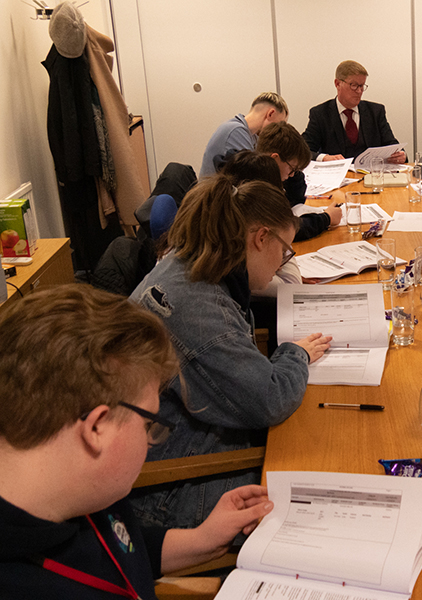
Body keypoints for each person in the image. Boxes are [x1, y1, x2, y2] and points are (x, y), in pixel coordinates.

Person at [0, 285, 274, 597]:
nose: (150, 440)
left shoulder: (79, 491)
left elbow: (121, 547)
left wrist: (201, 540)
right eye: (148, 424)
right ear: (97, 428)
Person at [129, 175, 332, 530]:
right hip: (165, 487)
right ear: (261, 237)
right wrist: (295, 354)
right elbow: (271, 398)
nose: (281, 264)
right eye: (285, 251)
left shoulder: (189, 263)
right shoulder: (199, 305)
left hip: (171, 446)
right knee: (320, 482)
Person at [302, 60, 405, 163]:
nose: (359, 91)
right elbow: (303, 151)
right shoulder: (320, 114)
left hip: (371, 175)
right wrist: (324, 158)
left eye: (362, 86)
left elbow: (393, 145)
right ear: (338, 84)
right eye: (354, 85)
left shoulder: (375, 112)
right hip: (338, 176)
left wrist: (401, 155)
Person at [253, 123, 342, 239]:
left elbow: (295, 202)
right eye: (292, 169)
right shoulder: (256, 187)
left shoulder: (271, 175)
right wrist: (326, 218)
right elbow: (285, 229)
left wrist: (294, 171)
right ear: (274, 159)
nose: (292, 175)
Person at [199, 91, 288, 177]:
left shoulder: (251, 136)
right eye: (278, 124)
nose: (276, 130)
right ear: (270, 114)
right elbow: (253, 177)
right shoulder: (236, 131)